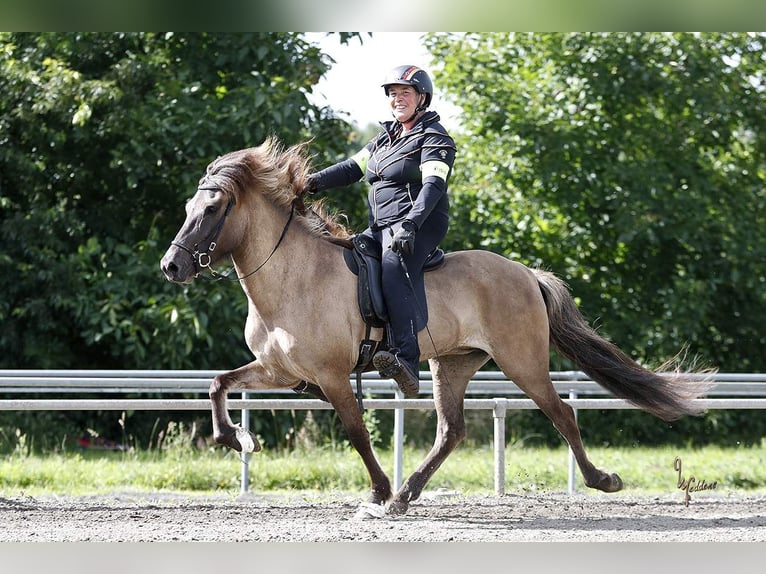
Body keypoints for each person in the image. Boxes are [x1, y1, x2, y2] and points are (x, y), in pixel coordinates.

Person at [305, 64, 457, 396]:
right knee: (346, 258)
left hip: (419, 224)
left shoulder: (434, 138)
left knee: (392, 265)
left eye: (405, 93)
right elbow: (351, 169)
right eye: (392, 94)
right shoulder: (385, 138)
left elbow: (432, 187)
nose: (397, 99)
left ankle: (407, 359)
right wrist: (311, 182)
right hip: (380, 226)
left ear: (422, 98)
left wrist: (410, 226)